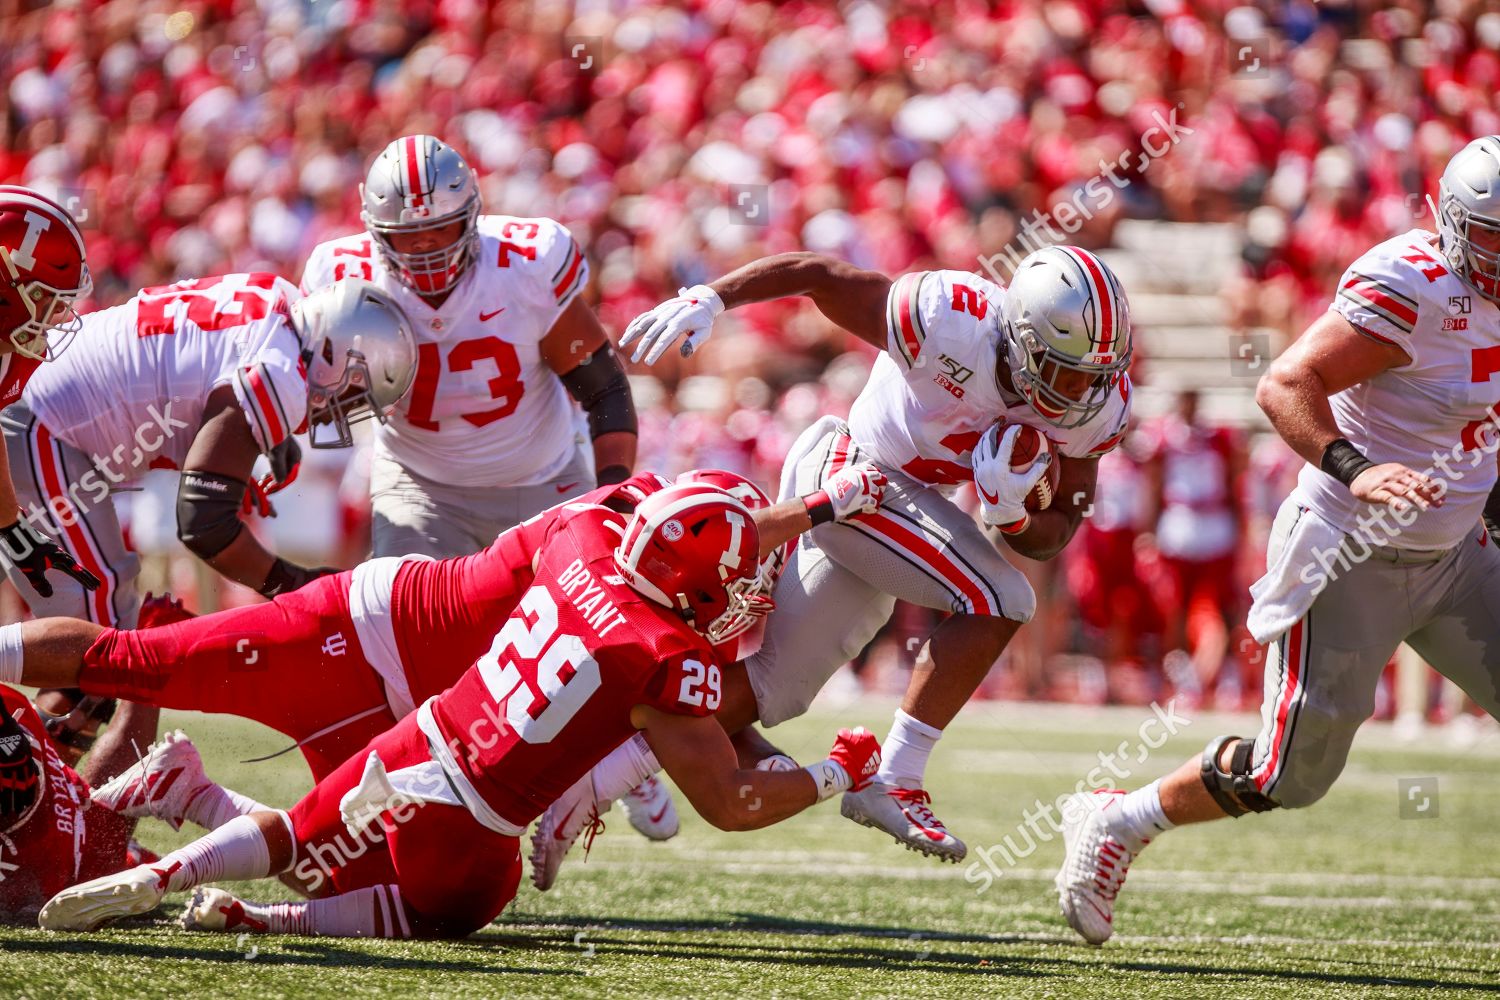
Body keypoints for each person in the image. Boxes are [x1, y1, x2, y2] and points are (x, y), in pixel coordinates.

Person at [37, 485, 884, 939]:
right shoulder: (666, 661)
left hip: (421, 737)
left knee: (296, 837)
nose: (748, 594)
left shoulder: (585, 539)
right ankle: (260, 915)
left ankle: (168, 874)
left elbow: (683, 527)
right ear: (698, 587)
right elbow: (733, 803)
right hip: (473, 821)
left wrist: (821, 505)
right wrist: (836, 771)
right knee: (430, 914)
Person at [1053, 134, 1500, 945]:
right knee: (1288, 777)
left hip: (1457, 554)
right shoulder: (1412, 286)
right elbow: (1285, 382)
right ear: (1456, 225)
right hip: (1352, 553)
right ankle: (1118, 818)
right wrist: (1357, 468)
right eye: (1497, 237)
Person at [620, 244, 1134, 861]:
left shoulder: (1096, 405)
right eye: (1066, 371)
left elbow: (1061, 525)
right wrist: (713, 296)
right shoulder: (947, 318)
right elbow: (820, 275)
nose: (1082, 391)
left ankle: (608, 758)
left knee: (775, 688)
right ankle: (896, 777)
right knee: (1003, 599)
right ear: (1021, 337)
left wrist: (1013, 516)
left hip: (904, 505)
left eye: (1096, 376)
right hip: (851, 471)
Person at [2, 466, 884, 785]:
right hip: (357, 633)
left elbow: (690, 720)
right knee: (130, 660)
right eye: (736, 560)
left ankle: (184, 793)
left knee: (357, 880)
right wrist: (819, 506)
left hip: (411, 711)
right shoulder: (598, 546)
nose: (742, 585)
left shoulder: (643, 572)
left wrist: (798, 763)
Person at [3, 275, 417, 783]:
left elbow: (183, 381)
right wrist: (294, 587)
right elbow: (203, 524)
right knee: (99, 653)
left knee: (106, 653)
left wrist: (251, 446)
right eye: (353, 389)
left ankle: (37, 798)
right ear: (333, 352)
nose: (344, 406)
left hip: (43, 406)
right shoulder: (279, 369)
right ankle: (27, 802)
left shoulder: (283, 307)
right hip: (41, 424)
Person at [300, 135, 637, 560]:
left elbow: (604, 388)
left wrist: (611, 493)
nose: (425, 244)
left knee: (574, 599)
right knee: (412, 600)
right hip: (419, 488)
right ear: (377, 232)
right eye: (409, 233)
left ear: (471, 216)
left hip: (543, 480)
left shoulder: (525, 265)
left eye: (440, 227)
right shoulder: (344, 278)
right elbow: (301, 393)